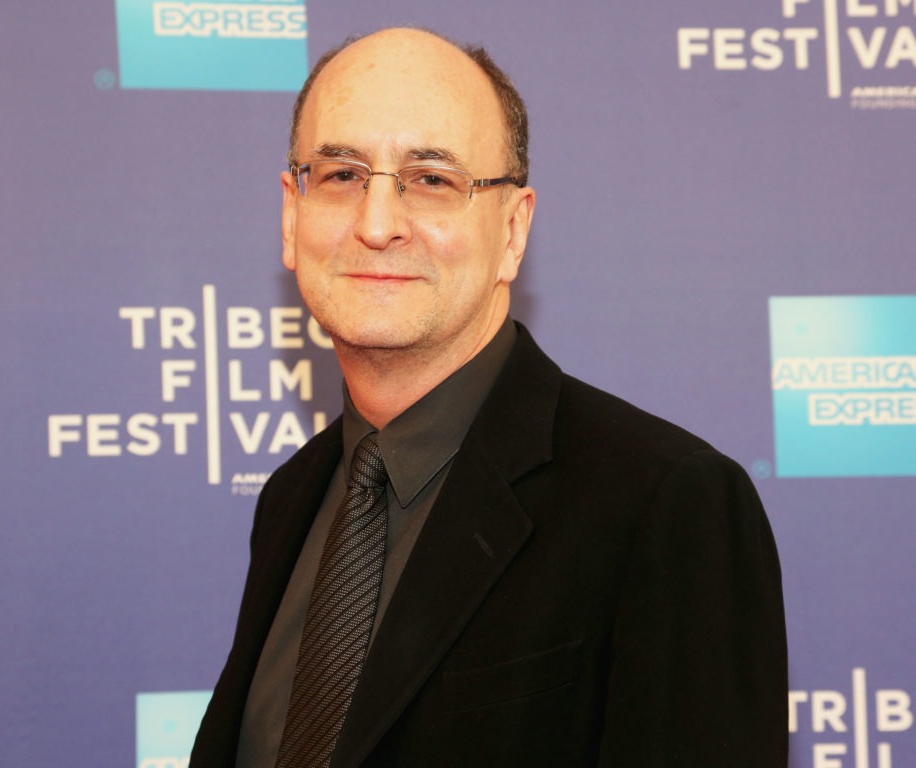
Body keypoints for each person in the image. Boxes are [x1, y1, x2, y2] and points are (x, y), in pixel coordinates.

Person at [191, 27, 787, 768]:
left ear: (513, 230)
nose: (377, 225)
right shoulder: (294, 496)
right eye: (342, 174)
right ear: (292, 212)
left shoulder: (665, 504)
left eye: (432, 179)